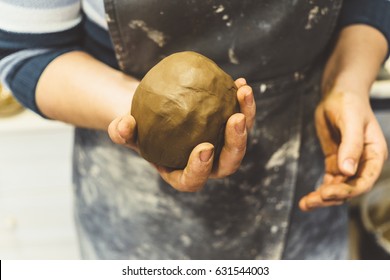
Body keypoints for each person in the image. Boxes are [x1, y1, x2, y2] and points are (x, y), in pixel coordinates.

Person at [0, 0, 389, 259]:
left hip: (307, 164)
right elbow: (26, 50)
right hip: (135, 198)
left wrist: (348, 82)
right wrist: (147, 114)